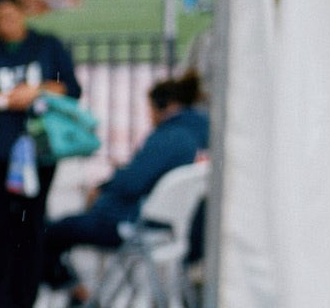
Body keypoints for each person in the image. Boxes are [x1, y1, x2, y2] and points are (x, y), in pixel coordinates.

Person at [40, 70, 209, 296]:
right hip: (191, 232)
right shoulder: (207, 132)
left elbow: (131, 183)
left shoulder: (170, 136)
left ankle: (77, 295)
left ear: (163, 106)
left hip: (140, 224)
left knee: (49, 232)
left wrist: (104, 187)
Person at [0, 0, 79, 308]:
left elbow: (71, 88)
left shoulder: (47, 45)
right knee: (0, 224)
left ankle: (27, 300)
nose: (8, 23)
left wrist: (38, 91)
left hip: (39, 150)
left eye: (12, 15)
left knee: (31, 224)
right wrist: (6, 100)